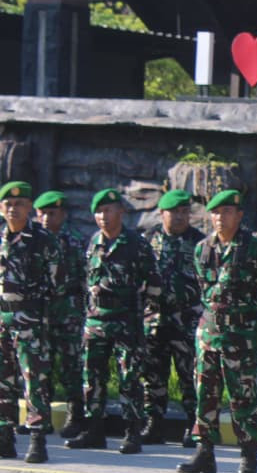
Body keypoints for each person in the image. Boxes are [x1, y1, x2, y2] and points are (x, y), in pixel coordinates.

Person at [176, 189, 257, 473]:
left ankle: (248, 457)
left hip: (240, 335)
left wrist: (246, 312)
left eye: (226, 212)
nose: (220, 218)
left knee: (242, 396)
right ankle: (204, 452)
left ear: (239, 215)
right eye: (216, 213)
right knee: (204, 395)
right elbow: (202, 288)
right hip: (209, 333)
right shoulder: (203, 248)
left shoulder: (256, 250)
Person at [66, 188, 161, 454]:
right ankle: (93, 430)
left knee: (129, 379)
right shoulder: (94, 242)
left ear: (121, 211)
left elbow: (153, 283)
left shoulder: (136, 244)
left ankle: (132, 433)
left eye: (108, 210)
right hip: (96, 323)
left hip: (126, 323)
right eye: (98, 211)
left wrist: (146, 317)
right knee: (92, 378)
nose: (103, 216)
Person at [141, 189, 203, 446]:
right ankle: (154, 424)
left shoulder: (200, 242)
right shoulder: (147, 239)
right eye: (174, 212)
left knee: (189, 375)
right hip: (154, 319)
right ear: (162, 213)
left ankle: (193, 425)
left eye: (184, 212)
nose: (179, 217)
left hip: (186, 319)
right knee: (153, 375)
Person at [0, 181, 57, 463]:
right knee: (2, 380)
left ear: (29, 208)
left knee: (33, 380)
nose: (13, 209)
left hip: (30, 319)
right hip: (2, 318)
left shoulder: (43, 239)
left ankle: (37, 438)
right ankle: (5, 436)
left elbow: (56, 281)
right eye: (8, 204)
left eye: (19, 204)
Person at [33, 190, 88, 441]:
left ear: (63, 214)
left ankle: (76, 417)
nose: (46, 218)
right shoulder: (31, 239)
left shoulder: (74, 241)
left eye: (51, 213)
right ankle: (40, 418)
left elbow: (83, 279)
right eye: (42, 213)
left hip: (67, 314)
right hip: (39, 315)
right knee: (39, 367)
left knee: (71, 367)